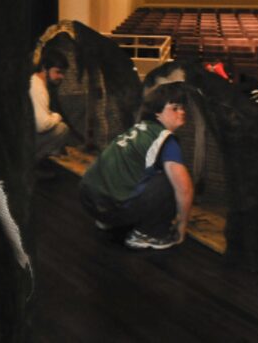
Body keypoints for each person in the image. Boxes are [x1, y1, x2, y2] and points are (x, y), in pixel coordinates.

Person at [78, 82, 193, 250]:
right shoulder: (165, 139)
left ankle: (107, 220)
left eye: (182, 108)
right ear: (157, 112)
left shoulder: (139, 129)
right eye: (175, 108)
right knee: (168, 182)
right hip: (111, 209)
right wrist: (182, 226)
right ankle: (148, 234)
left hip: (88, 202)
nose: (182, 112)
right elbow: (185, 189)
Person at [29, 47, 80, 160]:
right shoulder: (37, 88)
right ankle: (33, 164)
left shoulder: (35, 82)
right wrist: (57, 116)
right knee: (62, 128)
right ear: (44, 68)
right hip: (25, 141)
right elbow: (42, 126)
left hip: (26, 137)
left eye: (63, 73)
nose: (61, 77)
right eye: (58, 72)